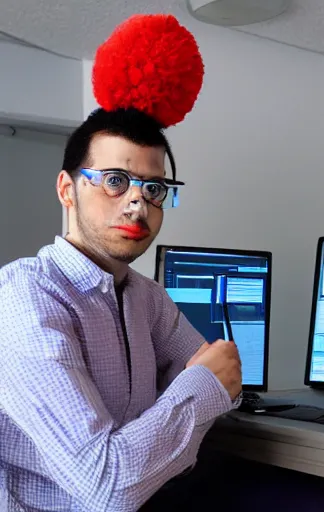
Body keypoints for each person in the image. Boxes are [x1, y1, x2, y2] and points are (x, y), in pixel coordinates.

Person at [0, 14, 242, 512]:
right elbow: (107, 485)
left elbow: (228, 381)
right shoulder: (25, 296)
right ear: (68, 189)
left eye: (154, 189)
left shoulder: (145, 296)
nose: (137, 204)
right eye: (114, 180)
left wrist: (197, 390)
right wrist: (196, 389)